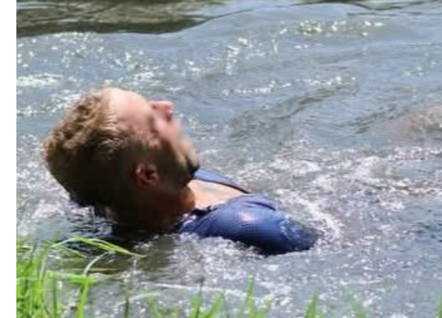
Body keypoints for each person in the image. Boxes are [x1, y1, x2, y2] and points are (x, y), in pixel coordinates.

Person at [43, 87, 317, 255]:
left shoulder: (105, 192)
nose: (166, 106)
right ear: (148, 175)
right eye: (153, 120)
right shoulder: (248, 227)